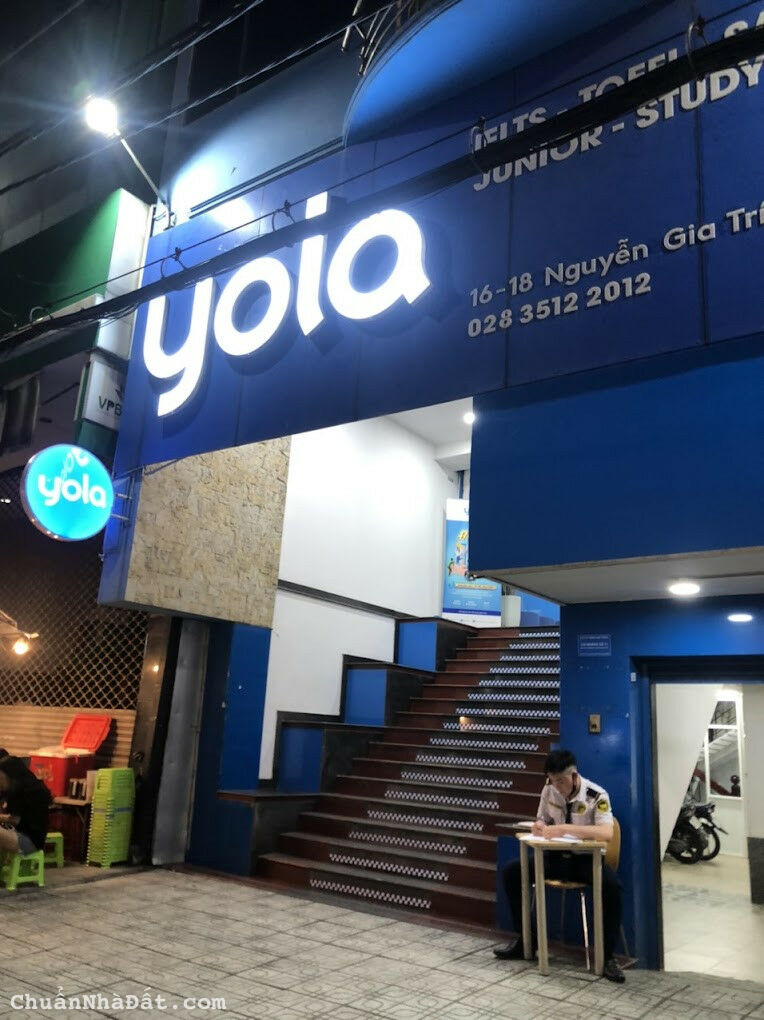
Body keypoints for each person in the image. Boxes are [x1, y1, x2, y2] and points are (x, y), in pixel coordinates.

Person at [493, 749, 625, 984]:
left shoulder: (596, 795)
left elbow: (606, 832)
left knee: (613, 887)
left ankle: (607, 957)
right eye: (552, 780)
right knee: (512, 873)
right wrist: (539, 826)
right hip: (554, 857)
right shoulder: (549, 789)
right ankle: (527, 940)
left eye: (561, 781)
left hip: (585, 861)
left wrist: (564, 829)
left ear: (574, 775)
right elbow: (542, 818)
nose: (557, 786)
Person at [0, 753, 53, 856]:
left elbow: (16, 820)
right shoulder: (11, 789)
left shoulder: (30, 792)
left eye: (1, 777)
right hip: (15, 834)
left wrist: (1, 817)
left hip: (29, 842)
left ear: (11, 775)